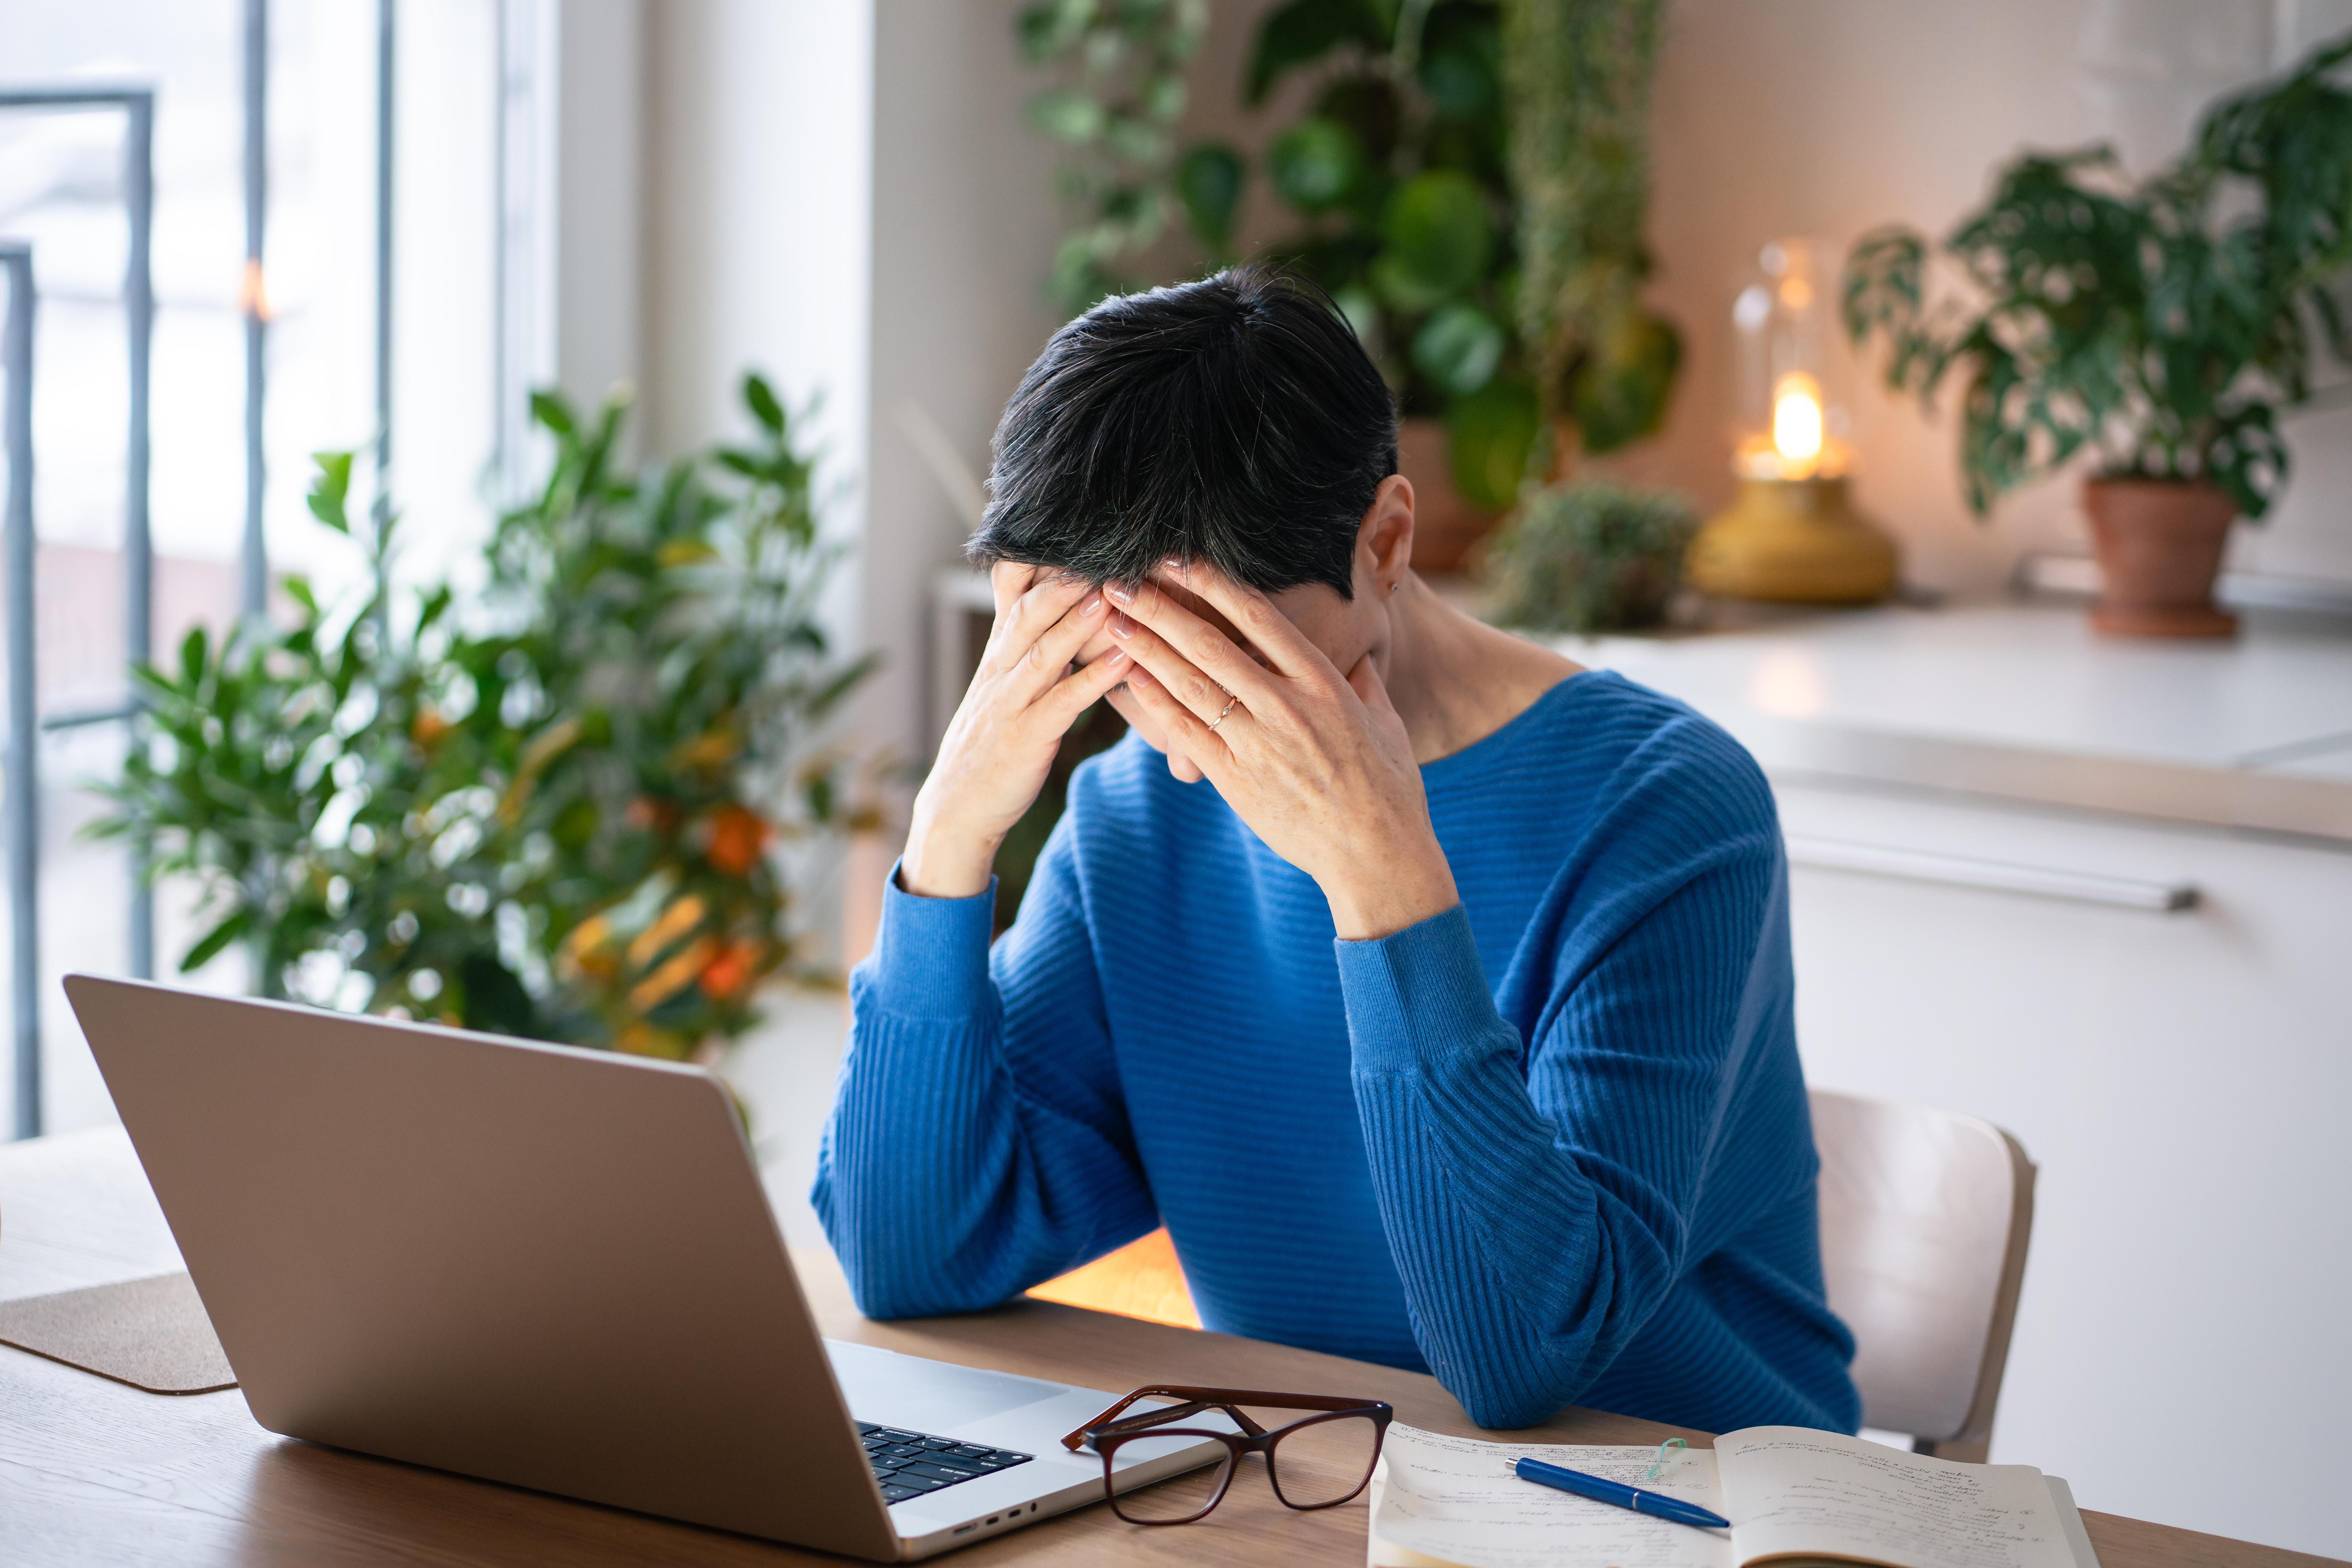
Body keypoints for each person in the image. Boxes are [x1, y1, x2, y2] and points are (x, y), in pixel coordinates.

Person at [814, 266, 1860, 1435]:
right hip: (1320, 1483)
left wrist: (1380, 873)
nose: (1180, 724)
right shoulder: (1136, 821)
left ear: (1387, 543)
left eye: (1226, 654)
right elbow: (908, 1259)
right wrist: (950, 836)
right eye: (1116, 657)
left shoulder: (1665, 807)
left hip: (1678, 1497)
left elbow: (1525, 1357)